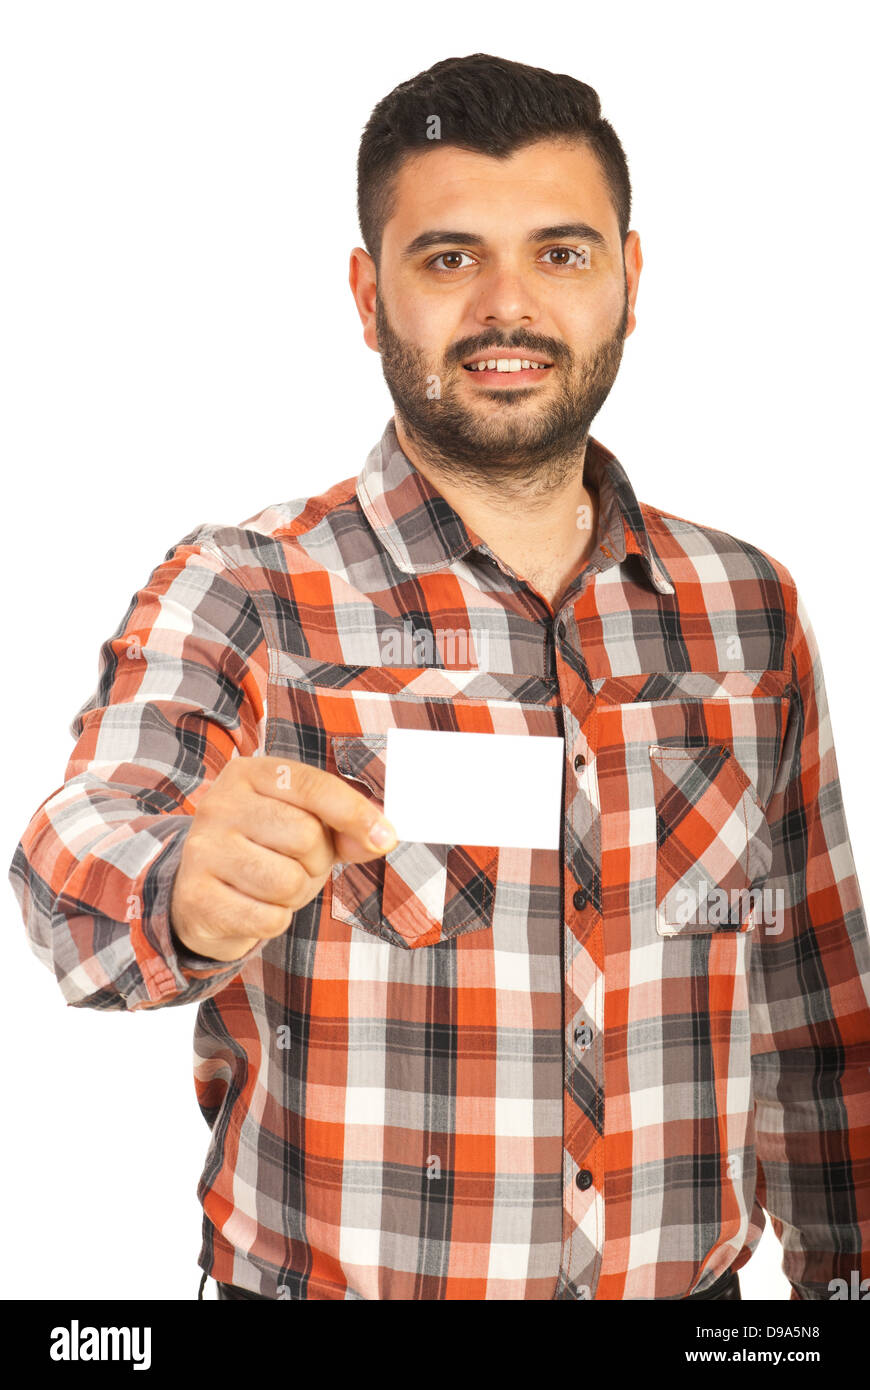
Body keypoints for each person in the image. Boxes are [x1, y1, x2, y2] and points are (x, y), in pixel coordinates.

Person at [10, 53, 869, 1302]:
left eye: (562, 255)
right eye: (450, 258)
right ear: (369, 295)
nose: (507, 307)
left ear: (632, 281)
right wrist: (184, 886)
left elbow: (820, 1017)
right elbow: (70, 864)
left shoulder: (747, 610)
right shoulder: (249, 589)